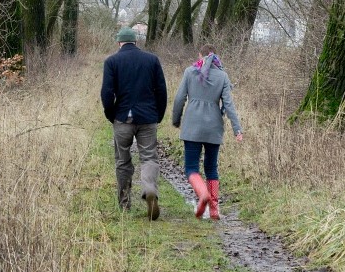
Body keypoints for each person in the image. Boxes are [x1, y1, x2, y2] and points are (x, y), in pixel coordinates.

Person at [101, 26, 168, 221]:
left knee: (123, 161)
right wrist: (159, 114)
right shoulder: (152, 60)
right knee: (149, 158)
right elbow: (161, 91)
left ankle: (124, 204)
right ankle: (149, 190)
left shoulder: (112, 61)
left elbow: (106, 93)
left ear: (119, 43)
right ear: (136, 42)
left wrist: (111, 114)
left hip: (122, 118)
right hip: (148, 118)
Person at [171, 44, 243, 220]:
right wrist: (237, 129)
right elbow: (229, 105)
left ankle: (203, 193)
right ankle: (214, 209)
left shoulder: (190, 72)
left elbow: (179, 99)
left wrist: (176, 119)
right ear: (215, 56)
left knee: (191, 168)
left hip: (192, 127)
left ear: (199, 55)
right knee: (211, 168)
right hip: (214, 128)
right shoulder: (223, 76)